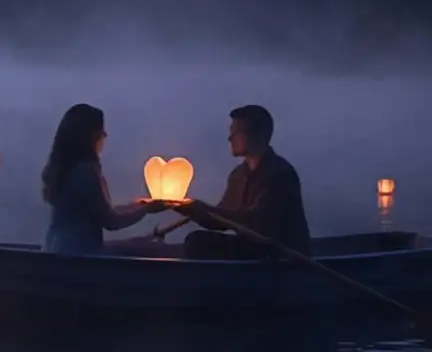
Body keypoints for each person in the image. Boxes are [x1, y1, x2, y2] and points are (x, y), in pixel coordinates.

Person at [177, 104, 310, 259]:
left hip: (280, 255)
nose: (230, 137)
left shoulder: (280, 174)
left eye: (237, 132)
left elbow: (256, 224)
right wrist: (185, 207)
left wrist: (202, 208)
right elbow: (218, 220)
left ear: (261, 134)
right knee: (197, 241)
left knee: (197, 242)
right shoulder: (238, 175)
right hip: (253, 249)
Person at [39, 103, 156, 255]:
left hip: (55, 248)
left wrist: (137, 205)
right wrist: (146, 210)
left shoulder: (64, 169)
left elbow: (103, 211)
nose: (104, 135)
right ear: (89, 135)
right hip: (77, 255)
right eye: (101, 130)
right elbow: (110, 221)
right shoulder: (85, 172)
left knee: (138, 244)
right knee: (144, 249)